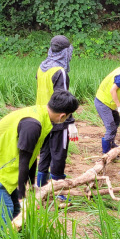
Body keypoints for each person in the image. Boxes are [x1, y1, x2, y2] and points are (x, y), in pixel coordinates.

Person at [0, 90, 79, 224]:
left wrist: (31, 184)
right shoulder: (32, 125)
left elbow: (31, 155)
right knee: (5, 212)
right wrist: (22, 196)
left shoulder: (42, 114)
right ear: (62, 116)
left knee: (16, 211)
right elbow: (24, 161)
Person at [35, 35, 78, 191]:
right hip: (58, 119)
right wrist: (70, 122)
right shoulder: (59, 71)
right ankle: (57, 190)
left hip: (41, 115)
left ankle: (41, 186)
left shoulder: (42, 67)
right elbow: (63, 100)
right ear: (65, 52)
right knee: (59, 153)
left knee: (45, 151)